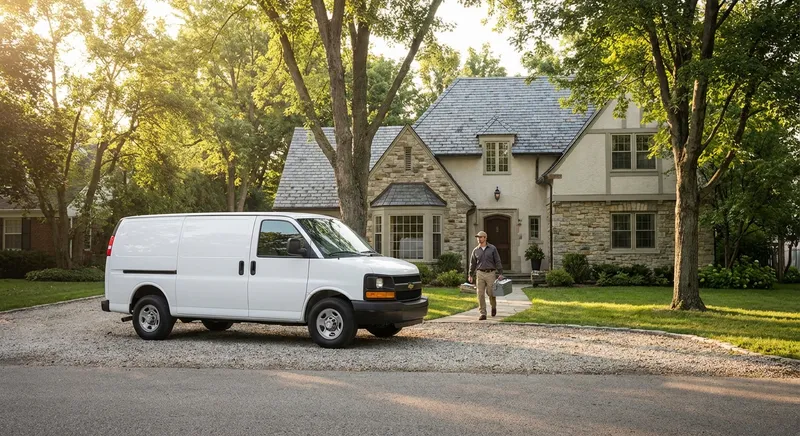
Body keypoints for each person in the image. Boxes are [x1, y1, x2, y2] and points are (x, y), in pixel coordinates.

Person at [468, 230, 504, 320]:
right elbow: (472, 263)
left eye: (480, 237)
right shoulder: (475, 250)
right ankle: (483, 313)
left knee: (491, 292)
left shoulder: (492, 248)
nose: (478, 239)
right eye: (477, 238)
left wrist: (500, 273)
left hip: (490, 273)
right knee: (480, 294)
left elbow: (497, 260)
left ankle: (493, 306)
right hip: (480, 273)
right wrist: (470, 274)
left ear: (485, 238)